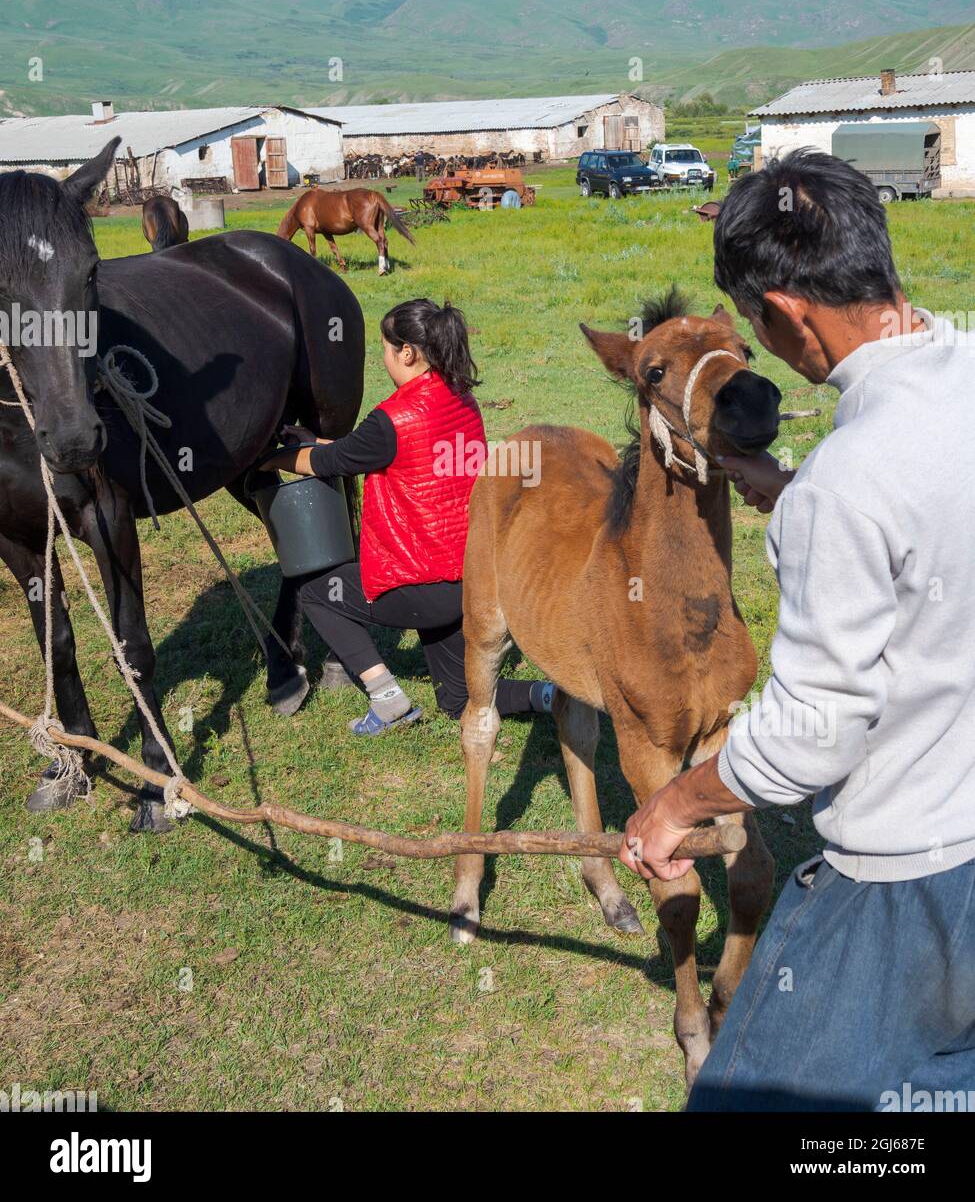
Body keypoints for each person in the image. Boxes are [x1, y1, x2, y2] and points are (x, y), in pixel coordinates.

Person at [620, 149, 975, 1112]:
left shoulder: (848, 481)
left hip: (909, 883)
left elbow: (816, 731)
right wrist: (799, 498)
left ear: (783, 313)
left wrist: (677, 804)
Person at [263, 298, 554, 736]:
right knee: (459, 700)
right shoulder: (464, 400)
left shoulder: (393, 419)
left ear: (406, 352)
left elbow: (332, 462)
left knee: (316, 591)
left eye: (384, 348)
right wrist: (316, 442)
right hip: (473, 578)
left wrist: (271, 459)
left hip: (422, 582)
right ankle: (552, 695)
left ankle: (386, 698)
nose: (383, 360)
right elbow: (355, 450)